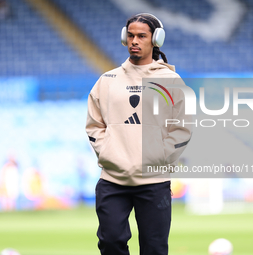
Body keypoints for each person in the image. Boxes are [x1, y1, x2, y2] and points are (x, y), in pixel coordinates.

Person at [86, 13, 192, 255]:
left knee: (154, 249)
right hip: (113, 180)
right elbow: (94, 125)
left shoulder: (171, 80)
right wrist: (109, 153)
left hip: (153, 181)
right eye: (131, 35)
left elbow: (182, 128)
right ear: (125, 38)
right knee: (110, 243)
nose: (134, 40)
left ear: (155, 39)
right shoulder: (107, 80)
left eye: (141, 36)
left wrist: (159, 156)